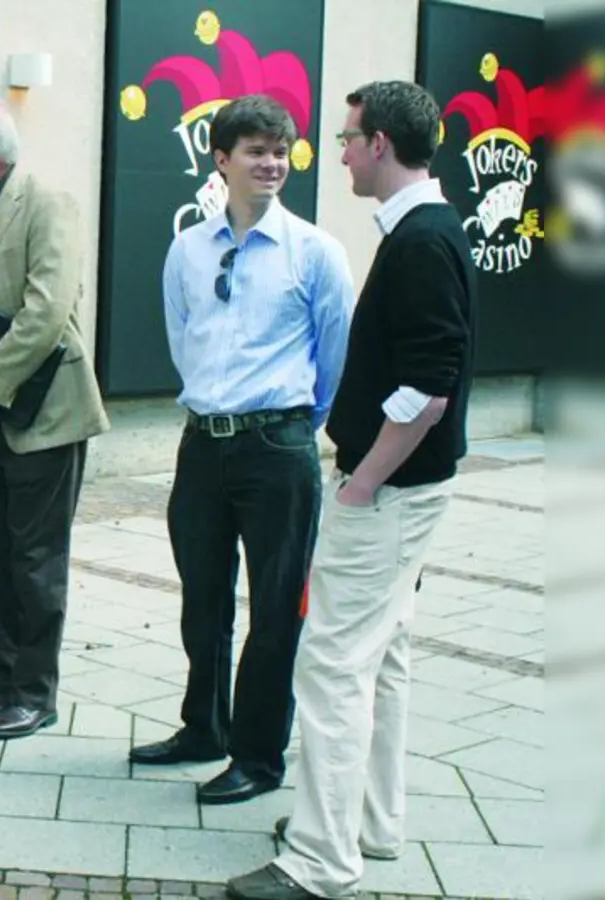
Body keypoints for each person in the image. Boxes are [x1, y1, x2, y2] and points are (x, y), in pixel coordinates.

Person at [226, 80, 476, 900]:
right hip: (409, 491)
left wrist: (363, 482)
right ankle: (369, 821)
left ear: (379, 146)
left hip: (390, 494)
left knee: (332, 665)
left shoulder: (422, 240)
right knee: (385, 657)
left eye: (347, 137)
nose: (335, 152)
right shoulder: (424, 230)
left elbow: (430, 387)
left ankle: (320, 860)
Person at [130, 94, 355, 806]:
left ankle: (259, 756)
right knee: (202, 600)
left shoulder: (315, 252)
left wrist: (293, 424)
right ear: (220, 160)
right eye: (256, 151)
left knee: (275, 609)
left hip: (277, 447)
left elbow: (335, 356)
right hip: (203, 446)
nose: (272, 163)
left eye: (281, 151)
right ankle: (205, 727)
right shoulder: (188, 249)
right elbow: (180, 337)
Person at [0, 94, 111, 740]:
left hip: (46, 414)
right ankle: (2, 678)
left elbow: (46, 313)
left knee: (36, 559)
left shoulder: (47, 204)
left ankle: (36, 692)